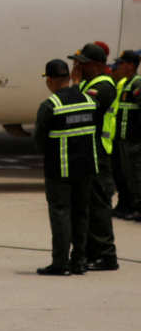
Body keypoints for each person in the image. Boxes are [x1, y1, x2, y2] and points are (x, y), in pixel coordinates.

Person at [33, 59, 97, 276]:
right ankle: (80, 261)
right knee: (81, 213)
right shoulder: (89, 100)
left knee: (61, 214)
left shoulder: (50, 105)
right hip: (86, 167)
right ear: (68, 77)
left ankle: (60, 262)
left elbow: (38, 143)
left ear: (49, 80)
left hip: (60, 169)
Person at [71, 42, 118, 270]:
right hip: (89, 151)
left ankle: (106, 255)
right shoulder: (91, 83)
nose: (78, 66)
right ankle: (92, 252)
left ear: (98, 65)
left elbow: (81, 109)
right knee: (88, 203)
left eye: (83, 63)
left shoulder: (102, 85)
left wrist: (76, 84)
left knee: (99, 205)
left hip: (98, 151)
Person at [113, 50, 141, 220]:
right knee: (127, 174)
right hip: (124, 139)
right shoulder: (126, 84)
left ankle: (139, 207)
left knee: (136, 174)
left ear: (131, 65)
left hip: (133, 139)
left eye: (122, 63)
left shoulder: (137, 84)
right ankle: (131, 205)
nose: (119, 66)